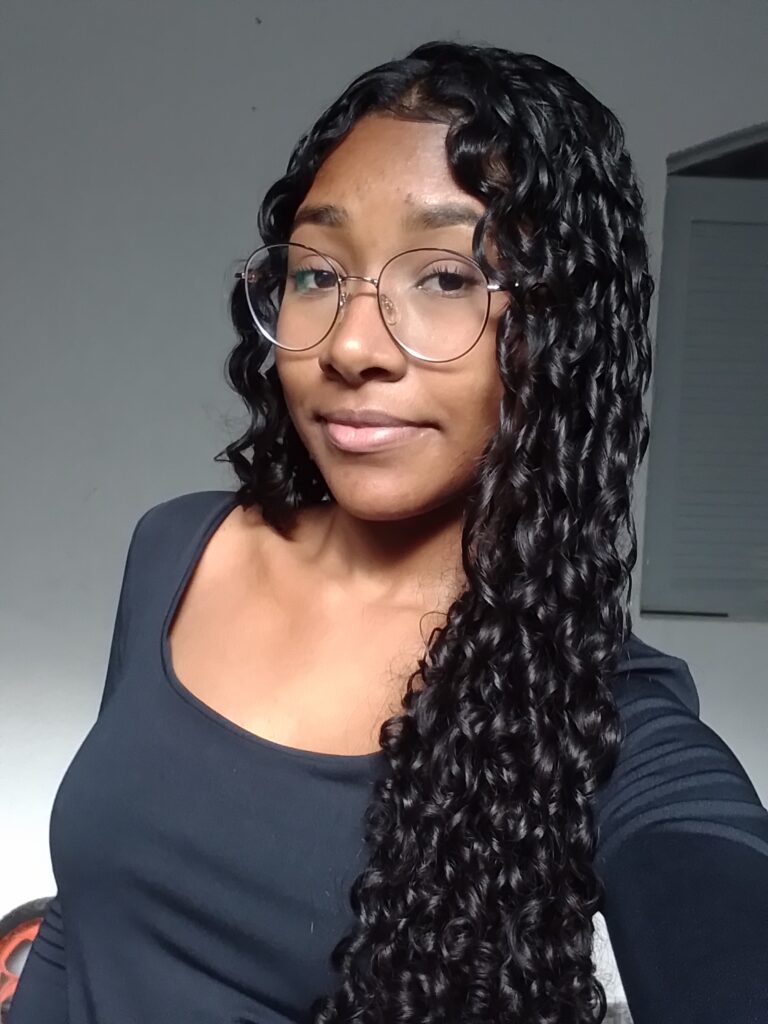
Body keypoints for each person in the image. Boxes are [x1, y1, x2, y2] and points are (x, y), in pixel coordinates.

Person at [8, 39, 768, 1024]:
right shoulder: (179, 552)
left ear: (559, 329)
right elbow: (89, 924)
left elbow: (709, 892)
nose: (352, 344)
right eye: (318, 273)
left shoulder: (588, 703)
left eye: (446, 278)